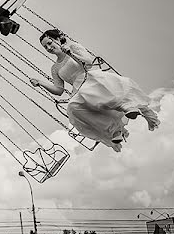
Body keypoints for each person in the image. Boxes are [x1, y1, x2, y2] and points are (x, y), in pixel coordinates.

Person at [31, 29, 159, 151]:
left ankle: (128, 107)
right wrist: (40, 83)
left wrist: (71, 53)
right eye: (45, 47)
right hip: (78, 89)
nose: (48, 48)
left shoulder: (73, 47)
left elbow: (89, 62)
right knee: (72, 108)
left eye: (49, 43)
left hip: (91, 77)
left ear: (58, 39)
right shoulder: (55, 68)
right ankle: (114, 130)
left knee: (92, 91)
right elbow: (59, 90)